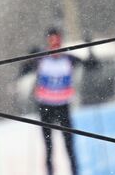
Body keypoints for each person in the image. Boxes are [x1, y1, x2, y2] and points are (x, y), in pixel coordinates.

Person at [24, 27, 80, 175]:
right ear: (48, 42)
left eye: (57, 41)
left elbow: (92, 64)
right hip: (45, 106)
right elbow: (23, 68)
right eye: (51, 41)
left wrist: (91, 52)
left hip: (63, 106)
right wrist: (30, 56)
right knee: (48, 147)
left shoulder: (69, 59)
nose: (54, 44)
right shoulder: (41, 59)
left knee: (70, 146)